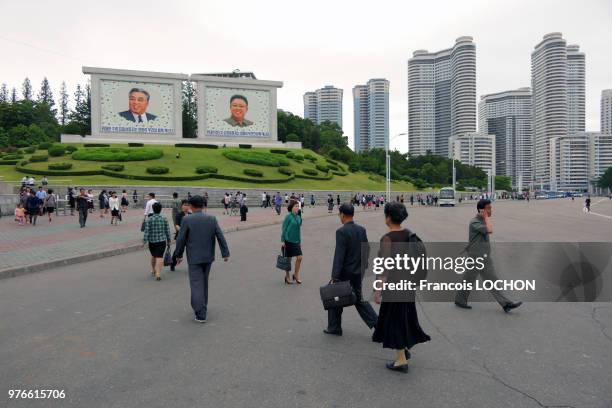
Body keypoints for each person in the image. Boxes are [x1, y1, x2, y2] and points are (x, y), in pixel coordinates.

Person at [372, 202, 431, 373]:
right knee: (405, 318)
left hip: (394, 287)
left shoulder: (387, 239)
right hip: (408, 285)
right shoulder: (410, 235)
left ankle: (401, 360)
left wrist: (378, 290)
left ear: (388, 217)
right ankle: (404, 350)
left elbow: (384, 269)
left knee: (395, 321)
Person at [454, 199, 523, 312]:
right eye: (488, 208)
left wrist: (485, 217)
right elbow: (490, 230)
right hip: (476, 257)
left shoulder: (481, 220)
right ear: (481, 210)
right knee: (468, 280)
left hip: (484, 257)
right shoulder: (475, 222)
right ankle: (460, 300)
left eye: (490, 208)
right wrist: (486, 217)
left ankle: (506, 304)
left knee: (492, 280)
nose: (491, 210)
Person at [174, 195, 230, 323]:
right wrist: (225, 253)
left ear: (191, 206)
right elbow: (220, 235)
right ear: (203, 205)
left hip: (194, 257)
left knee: (196, 284)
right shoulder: (211, 218)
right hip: (208, 256)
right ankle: (203, 306)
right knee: (204, 283)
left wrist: (178, 255)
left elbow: (181, 239)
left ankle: (200, 313)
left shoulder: (187, 220)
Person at [325, 203, 378, 337]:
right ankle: (379, 326)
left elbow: (339, 255)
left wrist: (334, 276)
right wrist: (364, 267)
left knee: (334, 297)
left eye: (339, 214)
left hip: (344, 273)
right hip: (358, 272)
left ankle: (334, 327)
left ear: (342, 215)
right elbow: (366, 250)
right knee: (360, 300)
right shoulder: (361, 230)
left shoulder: (341, 232)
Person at [142, 202, 171, 281]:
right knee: (160, 256)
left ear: (153, 209)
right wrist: (169, 240)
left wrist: (144, 241)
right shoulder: (164, 219)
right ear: (160, 209)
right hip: (161, 241)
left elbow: (146, 231)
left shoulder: (149, 219)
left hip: (152, 241)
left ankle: (153, 269)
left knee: (154, 255)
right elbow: (167, 230)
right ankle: (158, 273)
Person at [281, 200, 303, 285]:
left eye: (298, 206)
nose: (297, 207)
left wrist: (300, 241)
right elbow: (284, 228)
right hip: (288, 240)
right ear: (291, 208)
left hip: (296, 241)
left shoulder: (298, 217)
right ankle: (287, 276)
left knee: (300, 258)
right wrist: (283, 240)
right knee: (288, 260)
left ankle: (296, 274)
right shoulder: (288, 217)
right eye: (295, 206)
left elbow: (298, 230)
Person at [171, 199, 191, 271]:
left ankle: (192, 266)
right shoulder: (179, 215)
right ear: (182, 206)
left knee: (191, 252)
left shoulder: (191, 215)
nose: (186, 207)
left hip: (190, 237)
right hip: (181, 236)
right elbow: (176, 225)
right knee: (178, 251)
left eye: (188, 205)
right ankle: (172, 264)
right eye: (185, 205)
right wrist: (183, 232)